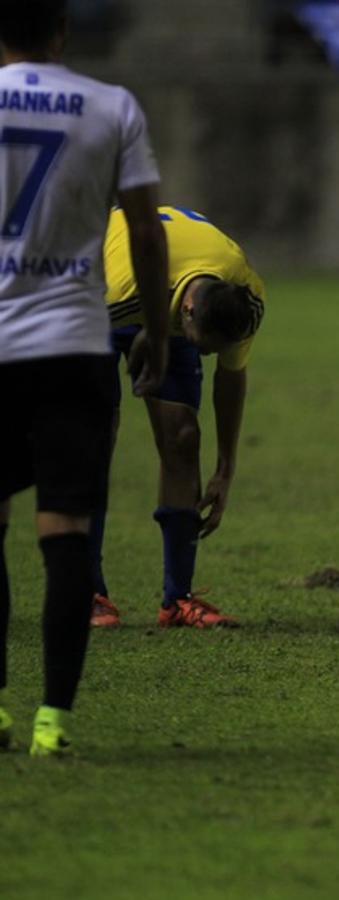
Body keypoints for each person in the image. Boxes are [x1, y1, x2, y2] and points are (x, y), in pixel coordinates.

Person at [0, 0, 169, 756]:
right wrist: (157, 332)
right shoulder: (111, 106)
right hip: (72, 344)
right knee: (64, 534)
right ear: (62, 31)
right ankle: (54, 720)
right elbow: (141, 227)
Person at [89, 206, 266, 630]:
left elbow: (230, 378)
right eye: (200, 346)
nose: (206, 354)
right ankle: (87, 592)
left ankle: (178, 601)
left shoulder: (244, 299)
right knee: (94, 437)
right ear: (186, 311)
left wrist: (225, 468)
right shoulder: (118, 291)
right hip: (93, 301)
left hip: (167, 294)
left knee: (183, 437)